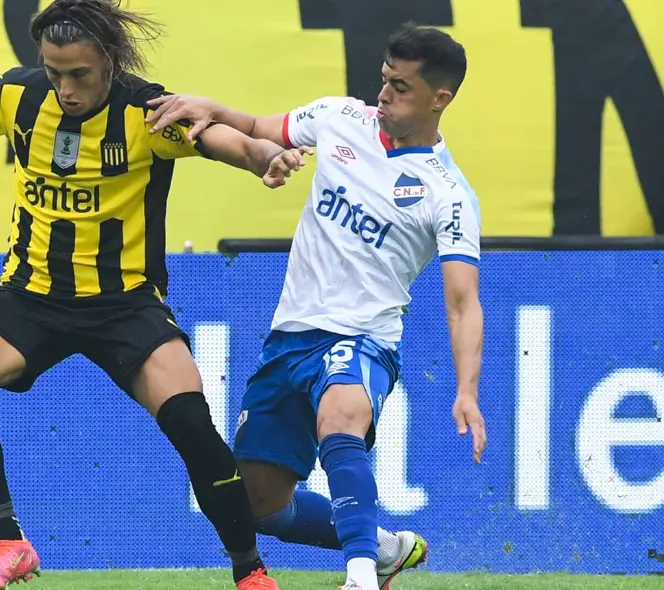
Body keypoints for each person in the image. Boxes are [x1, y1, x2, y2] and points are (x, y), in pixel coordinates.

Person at [0, 1, 308, 589]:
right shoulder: (19, 97)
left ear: (111, 62)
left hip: (126, 305)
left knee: (193, 424)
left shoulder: (147, 112)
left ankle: (250, 573)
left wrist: (264, 157)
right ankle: (9, 542)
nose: (65, 88)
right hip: (30, 297)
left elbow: (220, 138)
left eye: (79, 75)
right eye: (54, 71)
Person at [145, 22, 488, 590]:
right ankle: (380, 547)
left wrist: (468, 390)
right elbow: (260, 128)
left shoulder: (447, 193)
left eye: (400, 87)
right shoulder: (340, 117)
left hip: (363, 337)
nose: (383, 94)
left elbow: (462, 301)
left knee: (342, 416)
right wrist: (210, 107)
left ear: (440, 98)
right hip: (290, 338)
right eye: (383, 79)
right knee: (258, 504)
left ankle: (358, 576)